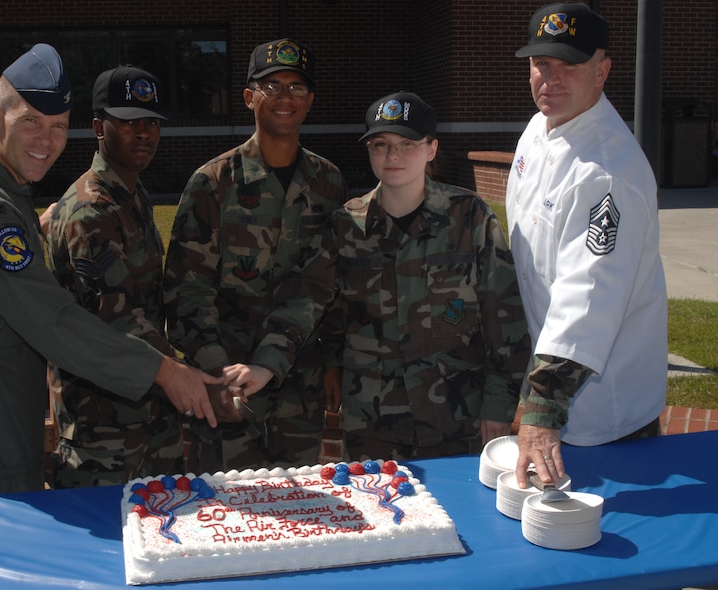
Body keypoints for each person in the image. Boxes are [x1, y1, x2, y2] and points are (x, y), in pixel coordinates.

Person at [0, 44, 220, 497]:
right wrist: (167, 372)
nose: (47, 139)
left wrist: (31, 234)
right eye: (31, 121)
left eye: (57, 126)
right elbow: (55, 322)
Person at [226, 92, 531, 461]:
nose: (393, 156)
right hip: (372, 423)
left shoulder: (470, 218)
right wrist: (265, 364)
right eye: (381, 145)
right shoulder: (346, 226)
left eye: (407, 144)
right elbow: (304, 301)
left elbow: (505, 318)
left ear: (431, 149)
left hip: (455, 416)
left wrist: (498, 407)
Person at [163, 38, 347, 473]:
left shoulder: (328, 183)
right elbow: (186, 290)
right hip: (226, 390)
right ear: (249, 98)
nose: (285, 98)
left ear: (311, 100)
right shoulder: (213, 183)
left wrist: (334, 362)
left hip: (300, 387)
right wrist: (217, 373)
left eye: (297, 87)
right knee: (224, 516)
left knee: (298, 515)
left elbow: (334, 285)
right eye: (272, 86)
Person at [505, 3, 668, 489]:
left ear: (602, 71)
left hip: (605, 412)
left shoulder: (608, 173)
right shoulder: (539, 130)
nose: (549, 79)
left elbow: (587, 299)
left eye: (568, 65)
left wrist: (541, 407)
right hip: (551, 384)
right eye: (540, 64)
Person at [40, 66, 183, 488]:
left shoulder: (132, 193)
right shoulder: (91, 210)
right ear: (99, 128)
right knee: (102, 549)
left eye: (151, 123)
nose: (143, 133)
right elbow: (118, 319)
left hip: (149, 416)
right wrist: (192, 379)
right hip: (102, 431)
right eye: (128, 122)